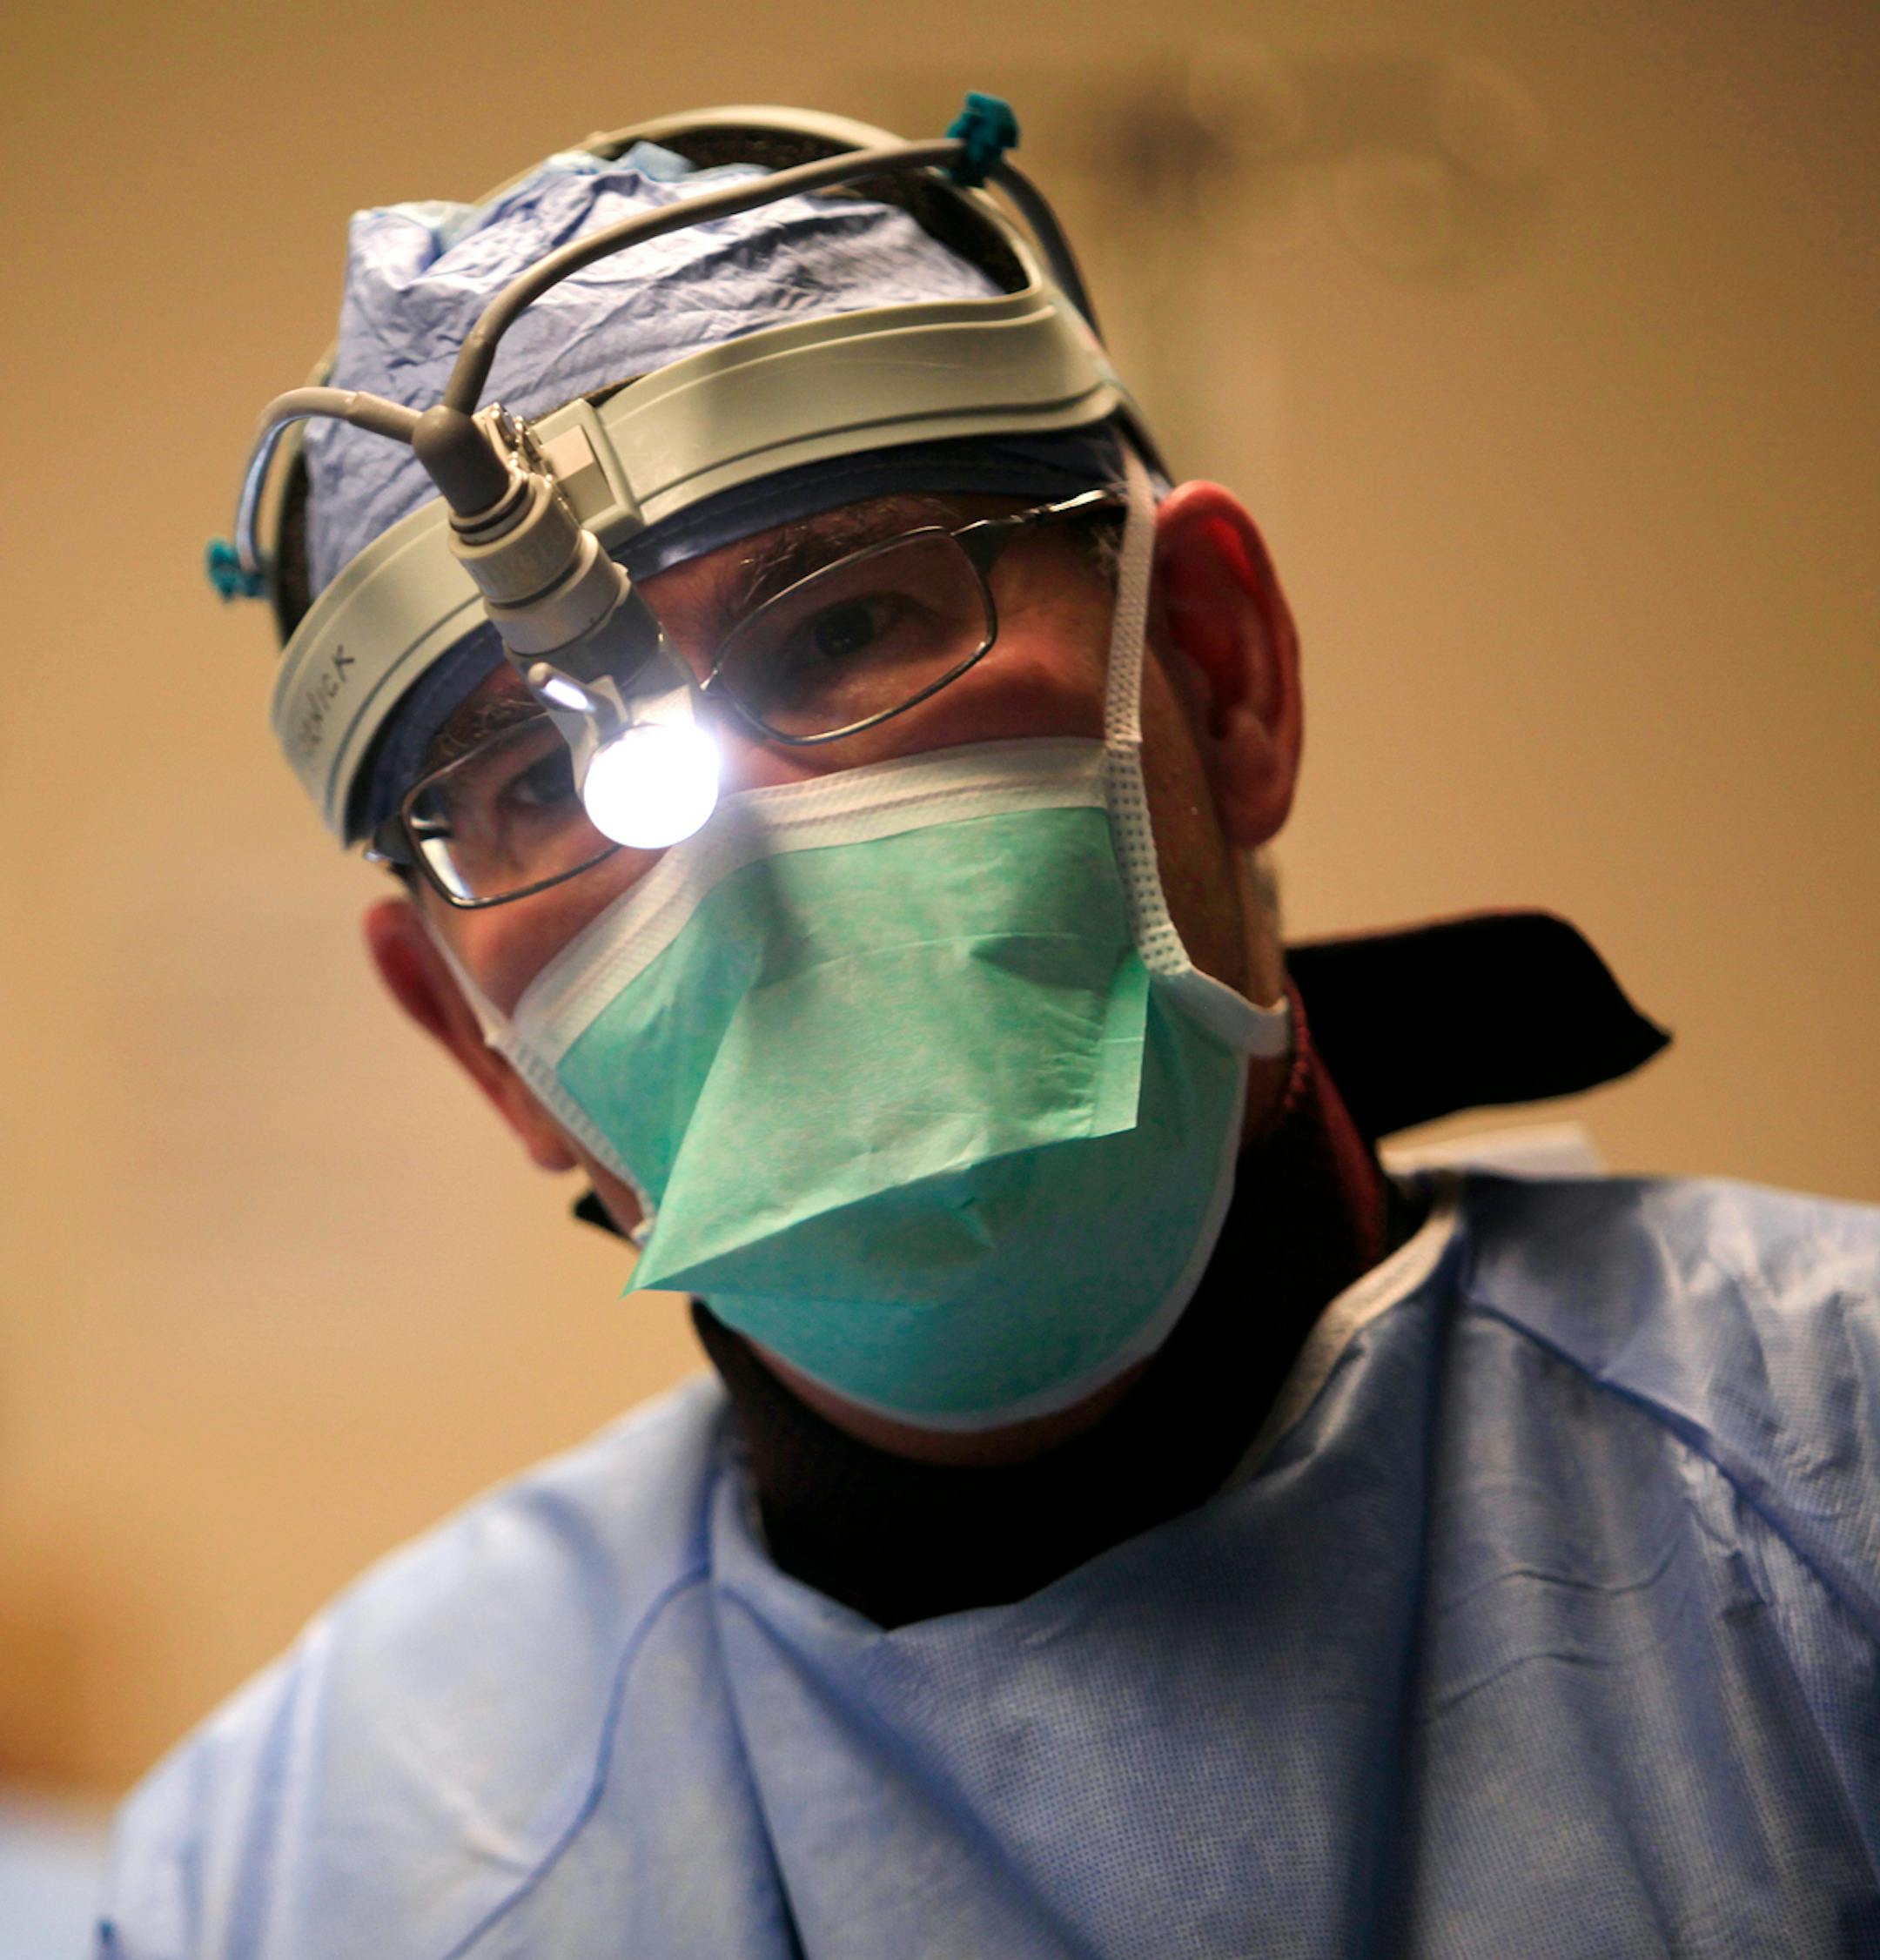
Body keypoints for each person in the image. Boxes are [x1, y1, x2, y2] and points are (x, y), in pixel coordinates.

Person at [100, 101, 1880, 1958]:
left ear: (1218, 670)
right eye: (533, 780)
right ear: (476, 1046)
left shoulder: (1829, 1502)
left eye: (844, 629)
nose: (724, 847)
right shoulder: (314, 1869)